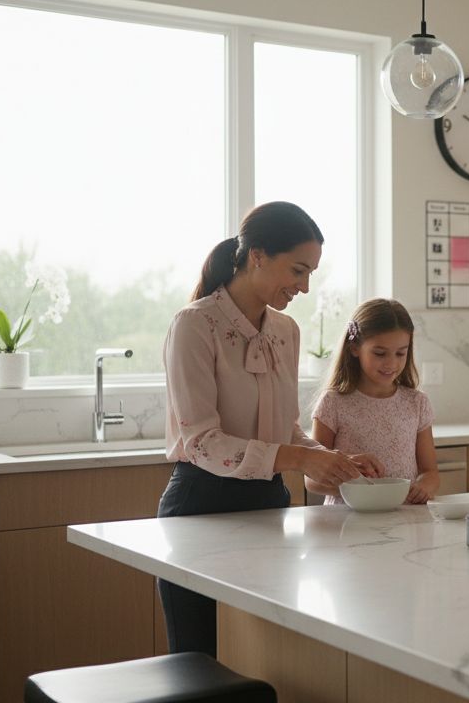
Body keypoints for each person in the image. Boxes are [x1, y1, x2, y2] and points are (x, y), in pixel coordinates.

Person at [158, 201, 381, 656]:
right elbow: (202, 442)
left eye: (310, 274)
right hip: (201, 507)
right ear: (257, 255)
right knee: (201, 662)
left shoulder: (286, 331)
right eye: (297, 271)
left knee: (269, 660)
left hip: (270, 508)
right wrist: (301, 457)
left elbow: (287, 430)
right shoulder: (194, 325)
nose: (304, 286)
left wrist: (329, 460)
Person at [310, 298, 440, 505]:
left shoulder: (417, 403)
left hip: (402, 518)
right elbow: (311, 480)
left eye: (400, 353)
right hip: (346, 521)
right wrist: (357, 488)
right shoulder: (333, 403)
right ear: (354, 348)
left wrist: (424, 487)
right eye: (380, 353)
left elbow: (430, 472)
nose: (391, 363)